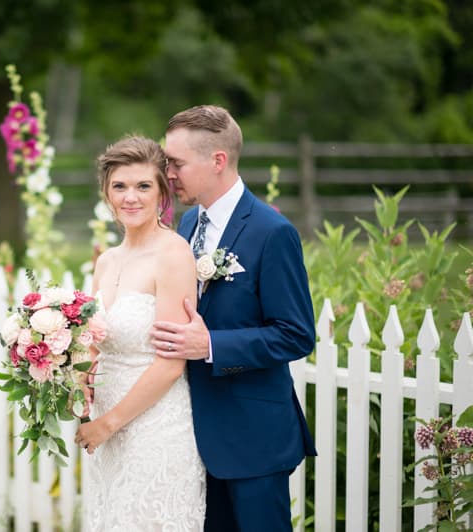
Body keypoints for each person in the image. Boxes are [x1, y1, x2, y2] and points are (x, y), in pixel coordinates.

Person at [150, 105, 316, 531]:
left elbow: (296, 335)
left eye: (177, 162)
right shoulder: (186, 225)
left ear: (217, 160)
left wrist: (212, 347)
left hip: (254, 438)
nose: (168, 172)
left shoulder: (272, 232)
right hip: (192, 437)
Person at [74, 135, 206, 531]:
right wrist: (78, 378)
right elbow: (96, 340)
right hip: (106, 426)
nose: (130, 197)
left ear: (162, 192)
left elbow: (170, 365)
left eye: (143, 186)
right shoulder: (107, 260)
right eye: (120, 186)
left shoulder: (173, 255)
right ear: (106, 193)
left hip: (155, 426)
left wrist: (108, 423)